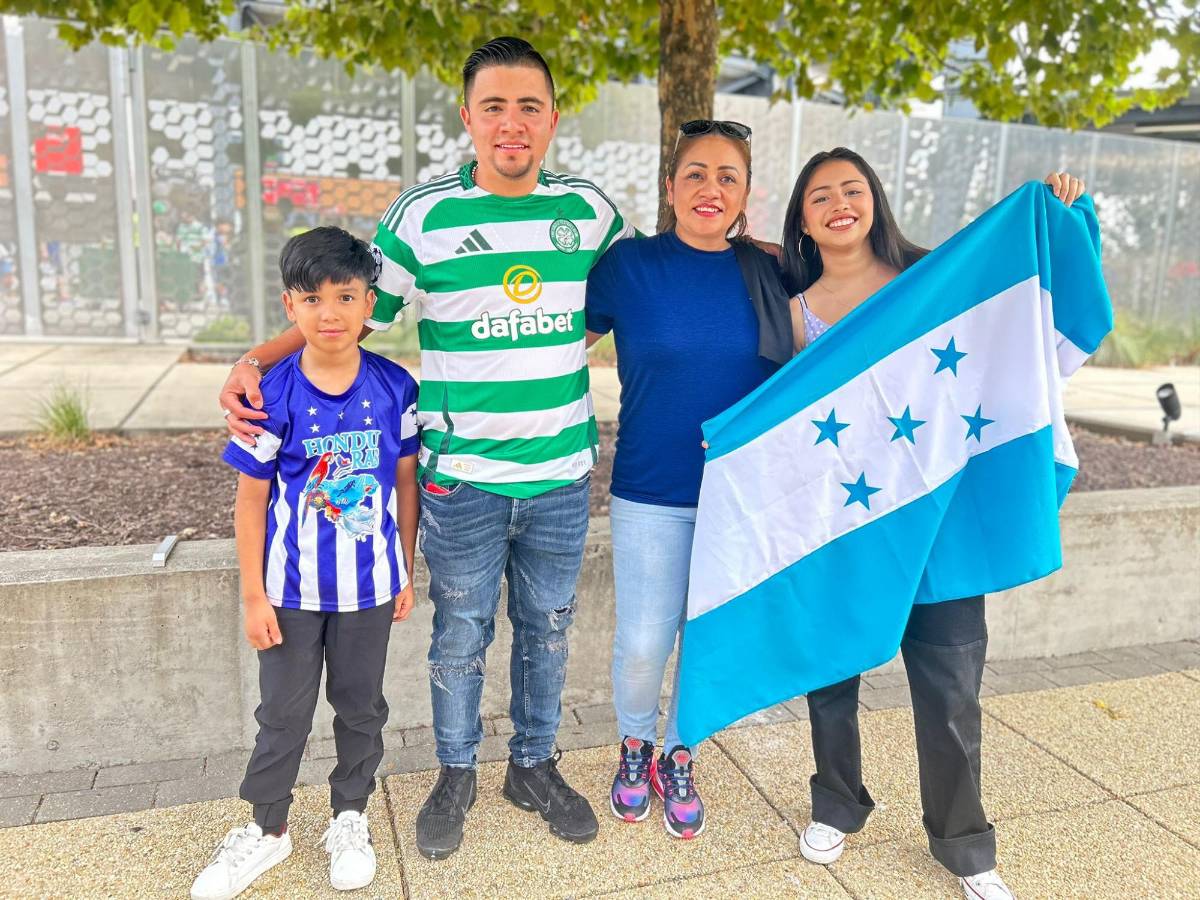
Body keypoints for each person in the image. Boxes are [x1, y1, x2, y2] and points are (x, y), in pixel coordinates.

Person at [218, 37, 635, 861]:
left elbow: (633, 292)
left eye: (527, 106)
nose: (510, 123)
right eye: (493, 106)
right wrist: (255, 360)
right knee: (460, 634)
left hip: (558, 475)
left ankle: (534, 764)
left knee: (549, 629)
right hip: (459, 481)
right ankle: (455, 774)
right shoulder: (423, 217)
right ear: (467, 117)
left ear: (552, 117)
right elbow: (344, 313)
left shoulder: (591, 212)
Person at [781, 147, 1084, 900]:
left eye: (853, 189)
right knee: (831, 677)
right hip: (842, 526)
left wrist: (1055, 214)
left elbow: (1016, 304)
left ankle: (964, 845)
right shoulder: (792, 307)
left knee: (950, 687)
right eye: (820, 195)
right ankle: (836, 806)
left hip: (935, 525)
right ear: (804, 220)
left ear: (876, 201)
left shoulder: (933, 282)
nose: (839, 203)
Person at [192, 226, 419, 900]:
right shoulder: (273, 396)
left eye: (345, 297)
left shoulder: (395, 388)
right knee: (283, 713)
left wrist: (403, 567)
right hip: (289, 593)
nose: (330, 314)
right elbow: (251, 502)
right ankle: (267, 828)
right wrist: (254, 597)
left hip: (369, 591)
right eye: (312, 298)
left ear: (369, 303)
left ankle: (350, 816)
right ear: (289, 306)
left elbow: (405, 485)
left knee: (360, 708)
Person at [585, 120, 788, 839]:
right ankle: (635, 744)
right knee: (644, 641)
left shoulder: (770, 271)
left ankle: (680, 751)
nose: (711, 189)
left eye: (727, 176)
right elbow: (548, 347)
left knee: (705, 641)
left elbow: (878, 289)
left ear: (745, 194)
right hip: (650, 490)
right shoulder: (626, 267)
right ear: (669, 187)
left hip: (742, 498)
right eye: (695, 174)